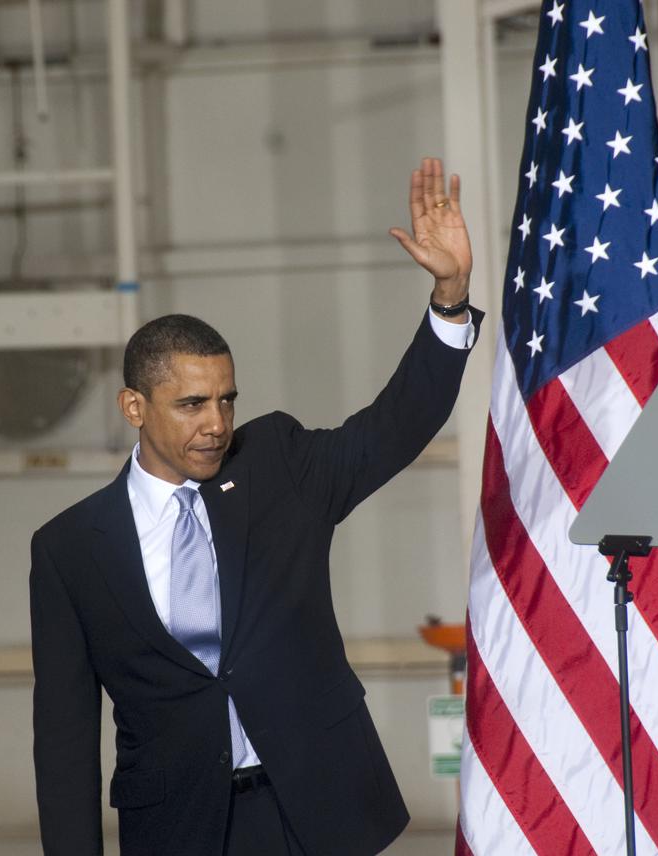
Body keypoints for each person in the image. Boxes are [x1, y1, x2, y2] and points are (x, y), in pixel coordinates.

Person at [29, 157, 483, 856]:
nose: (216, 423)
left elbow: (391, 429)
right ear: (134, 407)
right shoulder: (69, 549)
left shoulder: (277, 466)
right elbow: (64, 736)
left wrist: (450, 299)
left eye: (226, 400)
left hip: (315, 813)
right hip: (179, 829)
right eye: (191, 404)